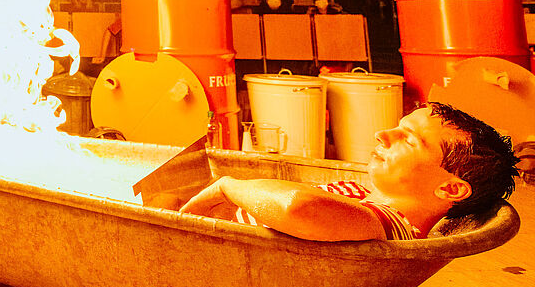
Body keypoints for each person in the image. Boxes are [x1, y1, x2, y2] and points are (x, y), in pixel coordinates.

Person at [179, 103, 518, 240]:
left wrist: (226, 186)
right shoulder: (367, 200)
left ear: (450, 189)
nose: (383, 135)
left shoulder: (389, 224)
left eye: (408, 140)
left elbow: (298, 206)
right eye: (397, 127)